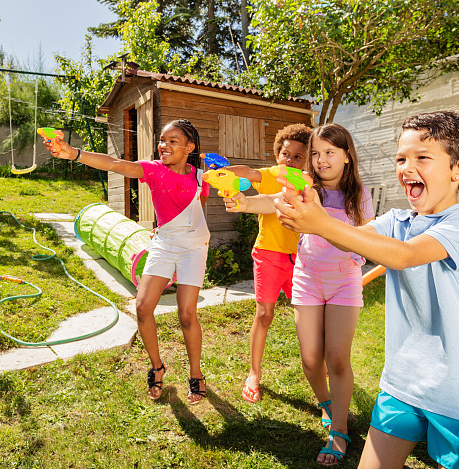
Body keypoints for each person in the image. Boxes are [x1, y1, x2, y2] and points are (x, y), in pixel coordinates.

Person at [275, 111, 459, 469]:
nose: (406, 168)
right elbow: (353, 242)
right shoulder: (397, 220)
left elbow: (404, 255)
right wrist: (311, 214)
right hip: (401, 385)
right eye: (401, 158)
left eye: (422, 158)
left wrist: (320, 222)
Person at [226, 123, 373, 465]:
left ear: (347, 157)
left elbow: (365, 237)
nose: (321, 160)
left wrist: (324, 225)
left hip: (342, 280)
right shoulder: (304, 185)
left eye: (330, 153)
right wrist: (243, 204)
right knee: (310, 360)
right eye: (317, 154)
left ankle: (338, 430)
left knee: (336, 357)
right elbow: (272, 201)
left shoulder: (359, 195)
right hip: (307, 277)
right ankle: (327, 402)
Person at [43, 119, 211, 405]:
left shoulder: (201, 177)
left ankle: (196, 374)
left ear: (189, 147)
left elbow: (197, 207)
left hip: (194, 249)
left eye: (172, 141)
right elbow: (115, 163)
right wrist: (74, 154)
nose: (164, 145)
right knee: (143, 306)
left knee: (186, 315)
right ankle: (157, 367)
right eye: (162, 140)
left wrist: (180, 225)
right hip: (164, 246)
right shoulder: (154, 170)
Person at [218, 123, 311, 404]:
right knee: (264, 315)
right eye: (286, 154)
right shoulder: (271, 175)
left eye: (298, 156)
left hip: (302, 259)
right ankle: (254, 374)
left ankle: (321, 366)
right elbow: (247, 173)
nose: (291, 160)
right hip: (268, 254)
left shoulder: (308, 182)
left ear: (307, 159)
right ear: (277, 155)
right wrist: (220, 174)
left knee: (309, 317)